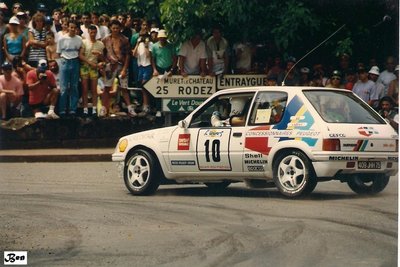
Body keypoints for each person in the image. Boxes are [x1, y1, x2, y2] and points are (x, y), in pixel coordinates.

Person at [102, 19, 134, 116]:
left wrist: (124, 69)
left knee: (124, 88)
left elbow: (128, 55)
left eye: (117, 28)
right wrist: (104, 63)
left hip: (122, 64)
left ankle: (130, 108)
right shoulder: (106, 40)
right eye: (113, 28)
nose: (115, 30)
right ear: (110, 28)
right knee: (107, 87)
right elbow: (103, 53)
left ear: (120, 28)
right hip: (110, 65)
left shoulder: (125, 39)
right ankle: (104, 108)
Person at [56, 20, 82, 117]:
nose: (72, 29)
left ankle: (72, 109)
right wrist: (60, 64)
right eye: (71, 27)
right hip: (64, 61)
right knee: (63, 87)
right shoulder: (62, 39)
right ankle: (62, 109)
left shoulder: (79, 39)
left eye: (74, 28)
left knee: (74, 86)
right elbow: (58, 53)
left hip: (75, 61)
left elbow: (80, 51)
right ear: (68, 27)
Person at [79, 24, 104, 117]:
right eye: (91, 32)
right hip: (85, 66)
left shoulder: (100, 44)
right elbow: (80, 55)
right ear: (88, 32)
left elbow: (103, 58)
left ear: (96, 32)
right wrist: (90, 63)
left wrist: (99, 55)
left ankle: (94, 108)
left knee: (94, 89)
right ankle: (85, 108)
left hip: (95, 67)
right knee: (85, 89)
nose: (93, 34)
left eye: (94, 32)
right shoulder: (84, 42)